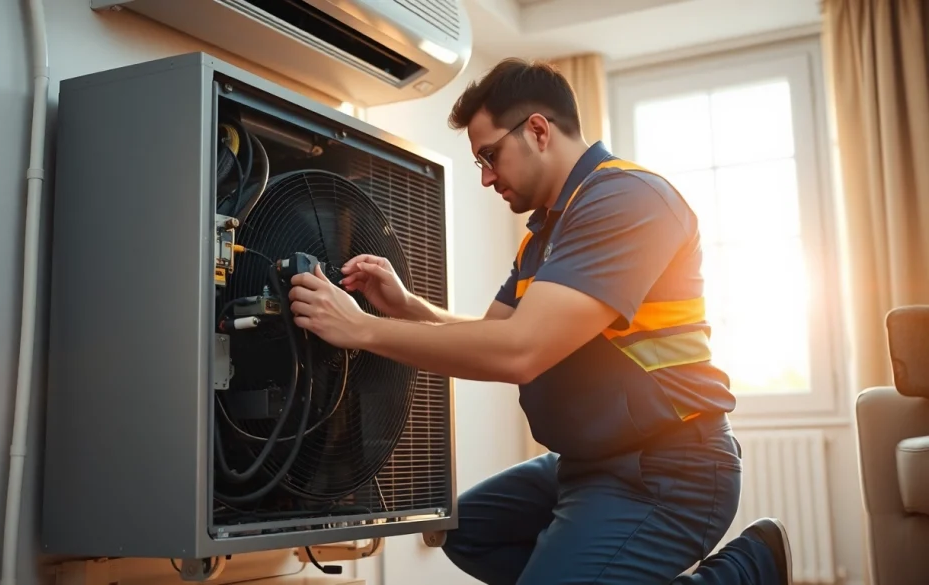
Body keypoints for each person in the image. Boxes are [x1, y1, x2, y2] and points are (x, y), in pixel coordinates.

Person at [287, 57, 793, 585]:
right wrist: (408, 306)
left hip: (668, 466)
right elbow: (492, 332)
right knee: (465, 530)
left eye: (489, 156)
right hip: (588, 463)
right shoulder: (545, 233)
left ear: (537, 130)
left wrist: (361, 329)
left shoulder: (626, 199)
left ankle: (747, 570)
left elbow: (518, 352)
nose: (485, 177)